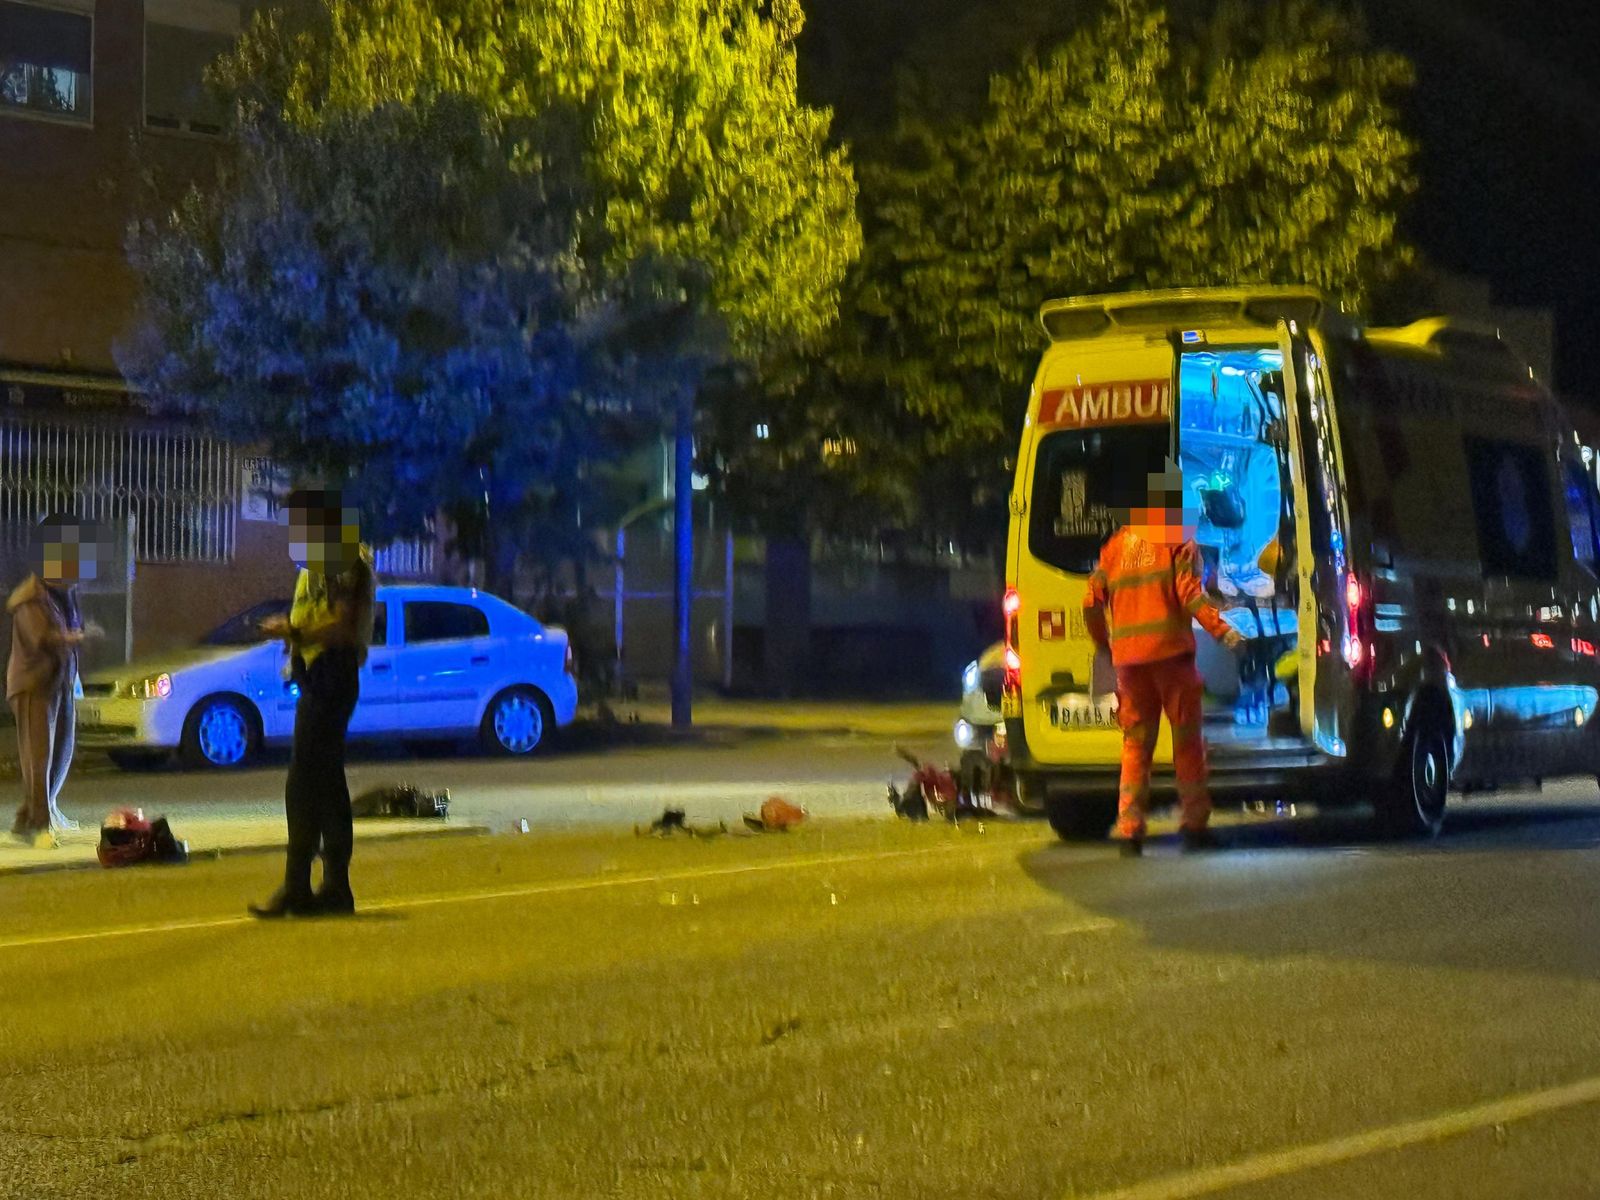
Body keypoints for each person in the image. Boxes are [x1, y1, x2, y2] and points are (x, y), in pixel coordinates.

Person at [1083, 464, 1244, 856]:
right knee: (1187, 744)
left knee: (1135, 747)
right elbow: (1190, 595)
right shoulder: (1177, 541)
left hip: (1130, 666)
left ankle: (1130, 829)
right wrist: (1223, 631)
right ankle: (1193, 827)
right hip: (1171, 660)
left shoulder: (1115, 547)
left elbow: (1090, 600)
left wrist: (1105, 644)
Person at [249, 490, 375, 917]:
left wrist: (291, 631)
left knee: (311, 781)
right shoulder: (316, 564)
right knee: (314, 781)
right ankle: (310, 888)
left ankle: (318, 887)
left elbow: (342, 626)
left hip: (333, 674)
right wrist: (292, 636)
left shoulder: (342, 559)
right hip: (318, 675)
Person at [7, 515, 104, 847]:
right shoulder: (29, 597)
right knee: (39, 755)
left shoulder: (64, 592)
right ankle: (39, 826)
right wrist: (77, 636)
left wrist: (77, 636)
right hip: (33, 686)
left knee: (62, 750)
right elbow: (42, 637)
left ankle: (36, 813)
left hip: (59, 681)